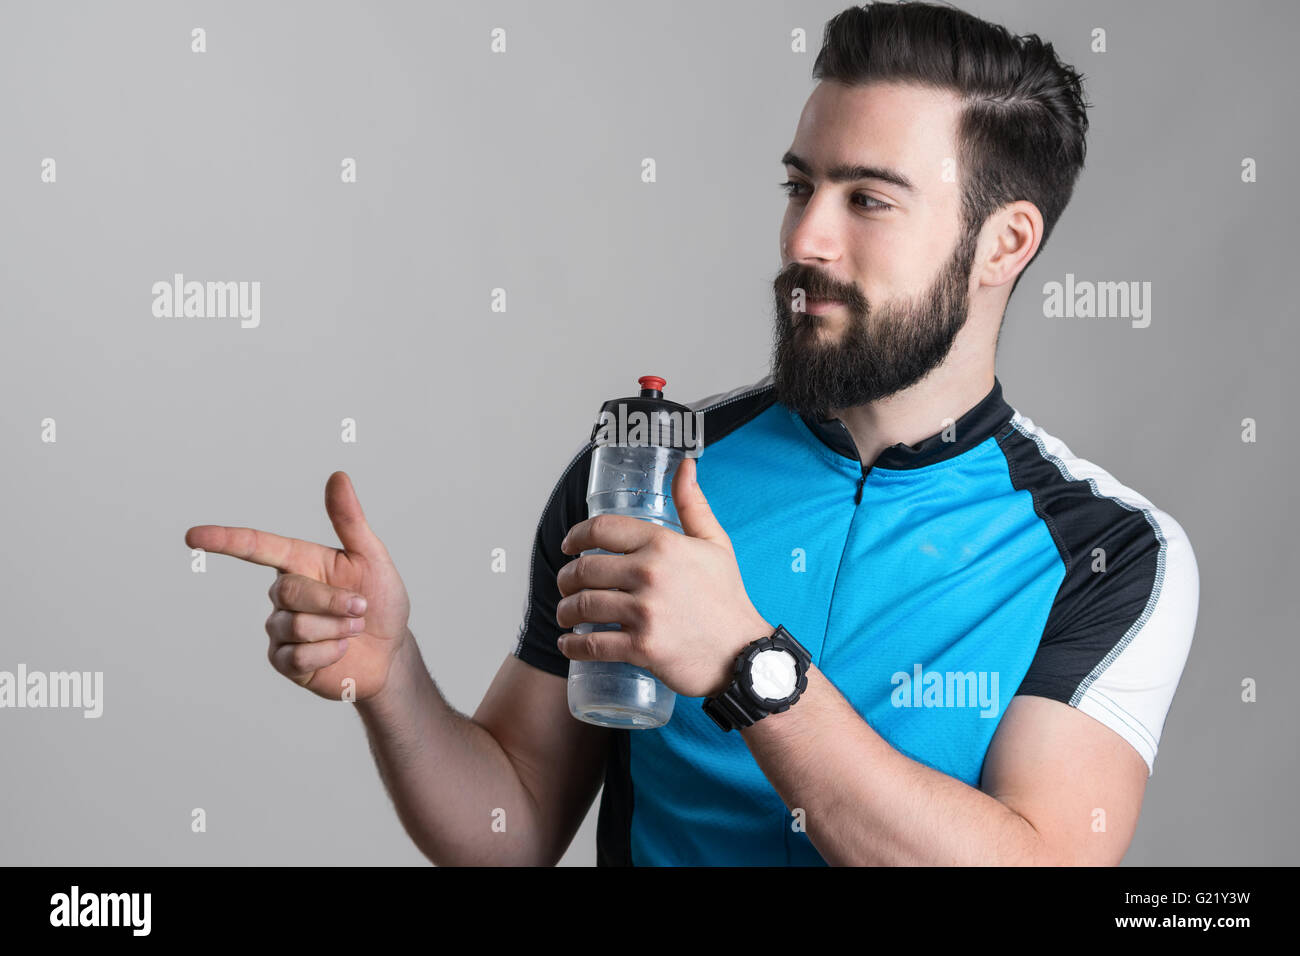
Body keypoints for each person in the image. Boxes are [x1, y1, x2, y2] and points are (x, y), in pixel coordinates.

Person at [185, 1, 1198, 866]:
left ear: (1003, 241)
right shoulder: (639, 471)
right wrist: (393, 678)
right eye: (800, 186)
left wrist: (746, 662)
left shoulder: (1105, 553)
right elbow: (514, 821)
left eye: (868, 200)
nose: (804, 238)